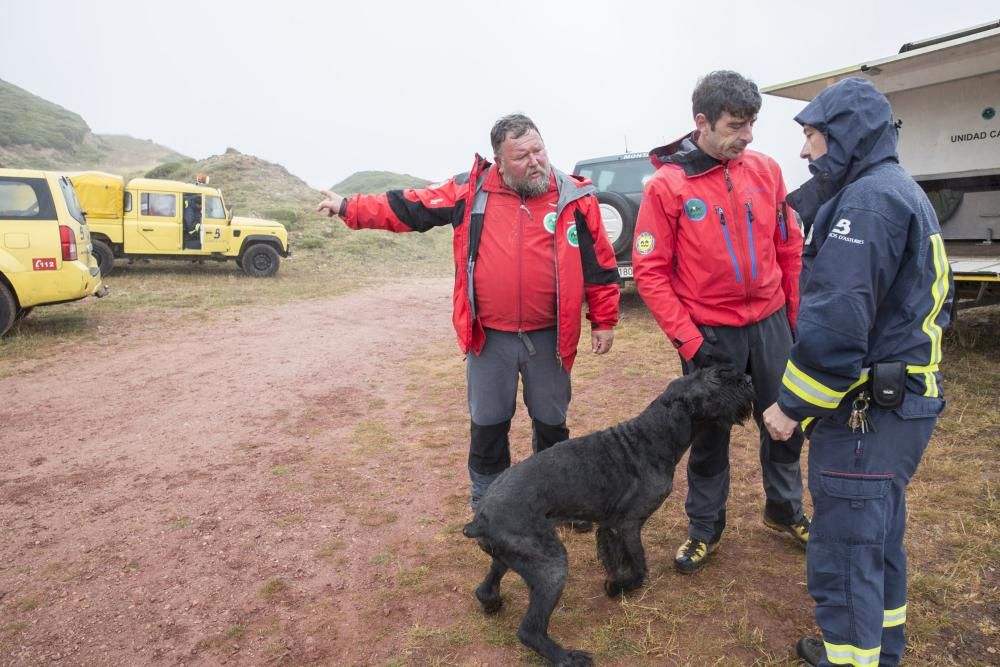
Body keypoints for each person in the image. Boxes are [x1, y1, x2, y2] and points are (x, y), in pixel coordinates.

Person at [318, 113, 620, 518]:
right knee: (490, 419)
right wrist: (348, 206)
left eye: (538, 150)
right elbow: (411, 208)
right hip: (489, 336)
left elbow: (599, 264)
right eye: (521, 156)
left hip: (549, 335)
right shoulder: (471, 190)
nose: (534, 161)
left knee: (551, 420)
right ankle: (489, 499)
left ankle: (557, 496)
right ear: (498, 160)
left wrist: (603, 319)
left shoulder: (574, 198)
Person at [762, 78, 953, 667]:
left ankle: (851, 657)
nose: (804, 152)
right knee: (878, 543)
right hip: (901, 408)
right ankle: (879, 649)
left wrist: (789, 407)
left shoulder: (867, 203)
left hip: (868, 416)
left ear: (845, 135)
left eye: (813, 137)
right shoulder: (898, 191)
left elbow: (837, 329)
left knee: (845, 552)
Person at [632, 70, 808, 574]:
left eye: (751, 124)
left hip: (771, 322)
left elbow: (789, 248)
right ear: (702, 122)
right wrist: (691, 341)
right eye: (736, 125)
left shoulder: (768, 171)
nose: (746, 136)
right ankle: (704, 528)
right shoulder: (667, 185)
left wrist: (792, 320)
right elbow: (650, 272)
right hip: (710, 334)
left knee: (784, 423)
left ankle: (785, 510)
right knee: (709, 435)